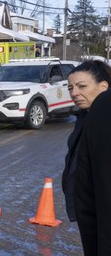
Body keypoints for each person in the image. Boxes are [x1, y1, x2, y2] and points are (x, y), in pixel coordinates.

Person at [63, 60, 111, 254]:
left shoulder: (105, 121)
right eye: (70, 87)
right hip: (90, 214)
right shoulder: (84, 119)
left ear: (104, 87)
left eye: (82, 86)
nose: (74, 92)